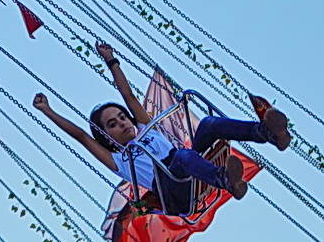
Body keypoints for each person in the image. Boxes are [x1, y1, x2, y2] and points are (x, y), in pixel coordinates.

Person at [33, 42, 290, 209]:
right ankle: (224, 179)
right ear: (106, 137)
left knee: (208, 124)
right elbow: (80, 136)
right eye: (112, 124)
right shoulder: (119, 158)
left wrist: (111, 61)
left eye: (122, 117)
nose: (122, 122)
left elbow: (128, 96)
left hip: (184, 164)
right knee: (181, 156)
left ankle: (265, 132)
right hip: (172, 191)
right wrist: (48, 111)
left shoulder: (145, 127)